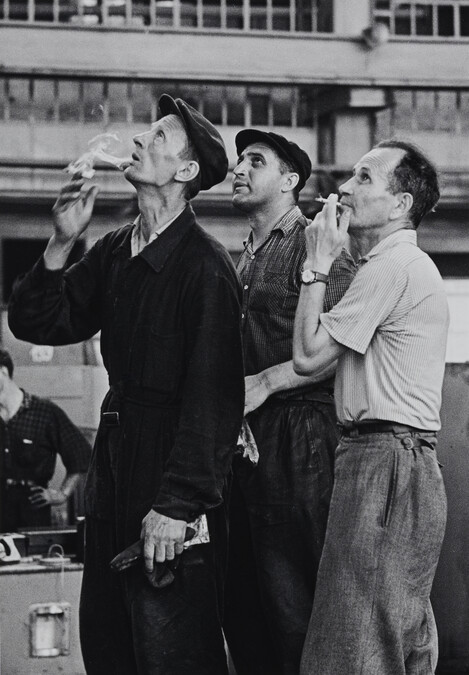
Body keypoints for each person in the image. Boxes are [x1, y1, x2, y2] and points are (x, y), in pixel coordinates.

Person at [8, 95, 244, 675]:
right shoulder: (116, 250)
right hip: (116, 465)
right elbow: (39, 321)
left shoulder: (205, 268)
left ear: (186, 172)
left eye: (158, 138)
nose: (140, 142)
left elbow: (212, 402)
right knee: (110, 638)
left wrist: (176, 505)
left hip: (168, 473)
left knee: (171, 641)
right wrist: (62, 242)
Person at [293, 139, 449, 675]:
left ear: (401, 204)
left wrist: (316, 263)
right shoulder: (396, 266)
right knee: (396, 630)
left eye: (363, 178)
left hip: (384, 460)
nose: (343, 189)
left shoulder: (391, 267)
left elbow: (310, 354)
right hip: (398, 462)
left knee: (354, 642)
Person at [223, 129, 356, 675]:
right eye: (238, 161)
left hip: (303, 442)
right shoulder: (242, 258)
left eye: (256, 161)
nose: (239, 169)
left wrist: (269, 381)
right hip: (246, 449)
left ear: (291, 181)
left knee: (294, 609)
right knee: (247, 611)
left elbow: (349, 339)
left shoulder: (318, 243)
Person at [0, 347, 91, 532]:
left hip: (33, 514)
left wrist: (61, 494)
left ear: (3, 371)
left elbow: (82, 455)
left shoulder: (44, 412)